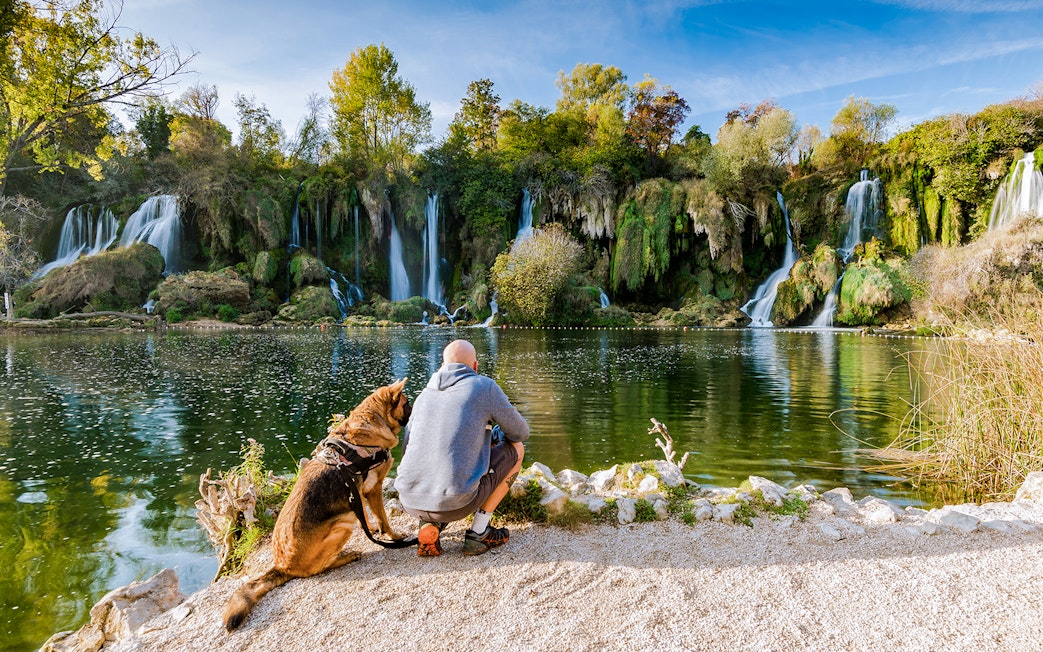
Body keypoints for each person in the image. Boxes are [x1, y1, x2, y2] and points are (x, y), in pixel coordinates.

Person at [394, 339, 529, 556]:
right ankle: (480, 532)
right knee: (517, 448)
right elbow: (520, 433)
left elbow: (407, 448)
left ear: (443, 365)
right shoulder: (483, 386)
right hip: (458, 502)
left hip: (410, 500)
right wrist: (495, 433)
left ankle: (430, 524)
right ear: (474, 366)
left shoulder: (423, 395)